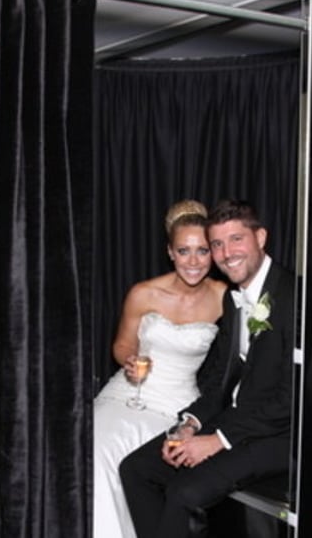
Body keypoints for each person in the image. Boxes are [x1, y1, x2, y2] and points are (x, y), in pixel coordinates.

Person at [119, 199, 295, 538]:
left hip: (279, 436)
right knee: (137, 470)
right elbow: (219, 381)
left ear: (260, 237)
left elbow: (291, 400)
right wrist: (190, 425)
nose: (227, 253)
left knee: (183, 493)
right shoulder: (232, 300)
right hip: (236, 421)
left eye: (236, 239)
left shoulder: (296, 297)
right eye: (217, 244)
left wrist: (217, 441)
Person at [93, 199, 227, 538]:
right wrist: (129, 362)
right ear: (170, 252)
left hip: (178, 404)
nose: (193, 262)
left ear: (213, 251)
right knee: (96, 449)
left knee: (139, 465)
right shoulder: (143, 293)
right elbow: (122, 345)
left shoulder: (224, 297)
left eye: (202, 251)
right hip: (129, 393)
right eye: (184, 251)